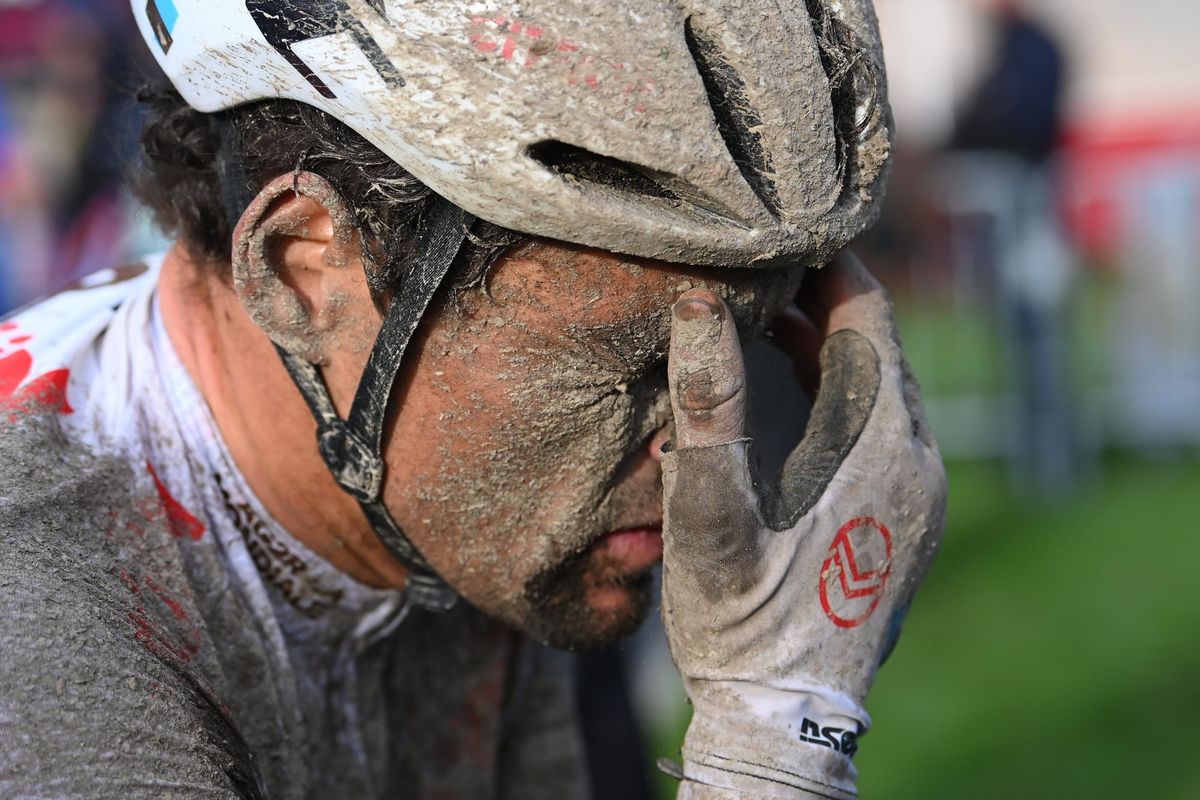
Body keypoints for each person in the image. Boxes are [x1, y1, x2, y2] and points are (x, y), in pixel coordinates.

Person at [0, 2, 946, 799]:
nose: (704, 452)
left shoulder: (442, 499)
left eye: (749, 336)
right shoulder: (39, 636)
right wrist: (776, 734)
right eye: (627, 363)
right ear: (303, 269)